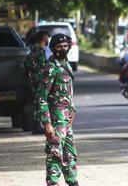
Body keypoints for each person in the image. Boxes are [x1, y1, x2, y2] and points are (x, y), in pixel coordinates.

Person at [38, 33, 79, 186]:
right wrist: (46, 122)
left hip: (66, 119)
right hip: (56, 118)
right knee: (55, 152)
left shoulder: (66, 64)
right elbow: (42, 96)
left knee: (70, 153)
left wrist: (73, 109)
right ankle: (53, 183)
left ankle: (73, 182)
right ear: (53, 48)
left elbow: (69, 91)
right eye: (59, 47)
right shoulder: (51, 67)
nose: (63, 49)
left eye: (65, 46)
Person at [25, 31, 51, 134]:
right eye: (47, 38)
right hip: (38, 80)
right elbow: (41, 66)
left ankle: (36, 126)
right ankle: (37, 126)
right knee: (40, 103)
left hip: (34, 79)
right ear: (44, 38)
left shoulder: (34, 48)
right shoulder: (39, 50)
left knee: (37, 103)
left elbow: (28, 64)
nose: (48, 40)